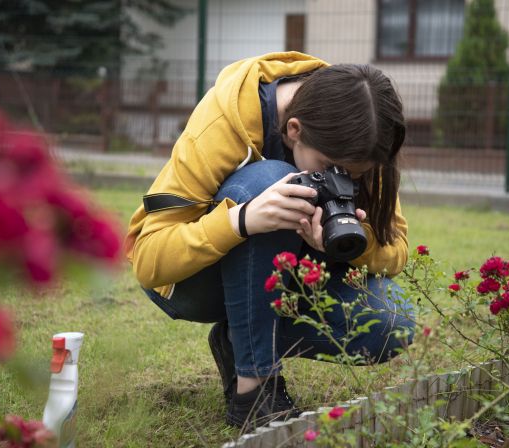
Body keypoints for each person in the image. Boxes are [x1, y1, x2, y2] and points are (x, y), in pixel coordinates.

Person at [124, 51, 415, 429]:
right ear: (294, 130)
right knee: (273, 181)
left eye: (356, 176)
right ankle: (254, 389)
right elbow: (147, 260)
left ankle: (238, 339)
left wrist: (347, 244)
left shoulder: (361, 130)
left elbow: (399, 249)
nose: (346, 180)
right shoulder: (226, 120)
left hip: (283, 283)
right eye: (332, 169)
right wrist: (241, 220)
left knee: (394, 322)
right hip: (192, 282)